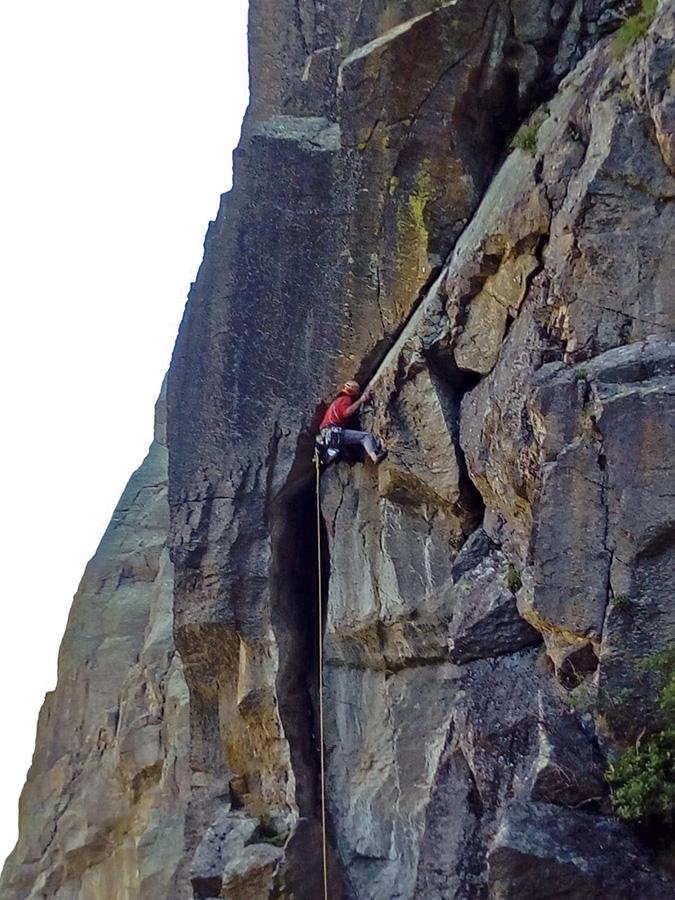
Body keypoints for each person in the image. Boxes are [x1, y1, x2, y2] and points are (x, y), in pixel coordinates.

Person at [318, 380, 387, 465]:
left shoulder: (335, 403)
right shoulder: (345, 399)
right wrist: (361, 400)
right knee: (366, 437)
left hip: (327, 434)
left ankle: (348, 458)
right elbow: (346, 412)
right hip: (334, 432)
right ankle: (375, 457)